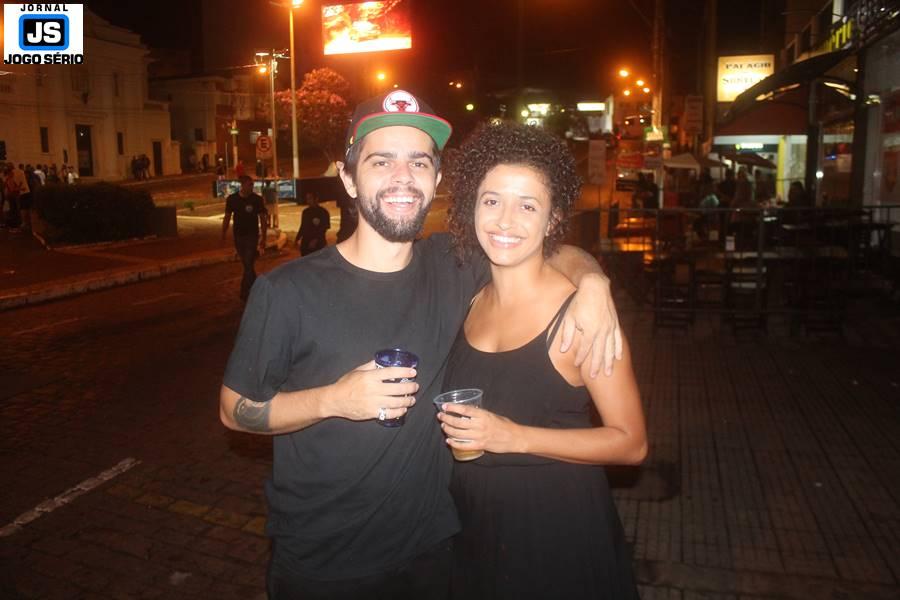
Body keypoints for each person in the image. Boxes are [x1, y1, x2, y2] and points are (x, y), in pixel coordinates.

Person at [218, 89, 623, 599]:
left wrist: (593, 283)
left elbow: (547, 247)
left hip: (436, 553)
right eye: (381, 161)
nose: (403, 177)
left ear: (436, 178)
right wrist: (334, 400)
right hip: (326, 566)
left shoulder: (453, 263)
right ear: (348, 178)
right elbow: (235, 410)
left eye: (419, 162)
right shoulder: (287, 291)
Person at [438, 121, 645, 600]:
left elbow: (631, 443)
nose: (505, 221)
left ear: (553, 220)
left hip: (557, 535)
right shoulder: (471, 296)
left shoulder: (582, 318)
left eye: (527, 206)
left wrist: (515, 437)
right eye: (492, 201)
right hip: (476, 532)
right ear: (472, 206)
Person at [222, 175, 268, 301]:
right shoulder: (232, 199)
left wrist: (264, 237)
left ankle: (244, 291)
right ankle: (257, 287)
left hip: (252, 235)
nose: (252, 187)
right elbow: (227, 217)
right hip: (238, 236)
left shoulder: (257, 199)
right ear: (242, 185)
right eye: (249, 185)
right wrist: (223, 233)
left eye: (252, 184)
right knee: (248, 265)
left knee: (248, 262)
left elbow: (263, 219)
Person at [294, 191, 330, 256]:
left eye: (310, 198)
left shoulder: (323, 212)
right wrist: (297, 239)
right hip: (306, 243)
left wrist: (316, 240)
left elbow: (324, 228)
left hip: (319, 244)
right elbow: (303, 227)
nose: (308, 201)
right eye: (307, 199)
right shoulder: (305, 212)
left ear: (316, 199)